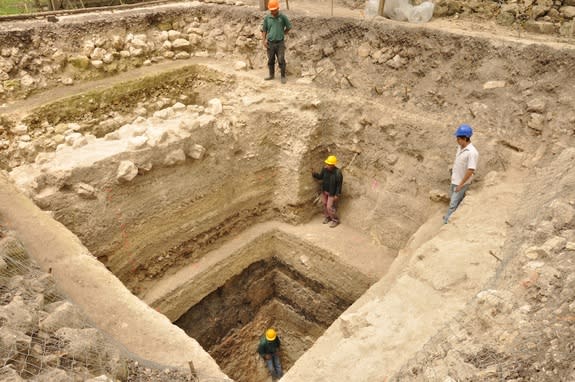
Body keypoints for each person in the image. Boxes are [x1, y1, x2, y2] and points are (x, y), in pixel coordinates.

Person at [443, 124, 479, 224]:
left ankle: (447, 221)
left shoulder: (472, 152)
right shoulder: (461, 147)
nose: (457, 140)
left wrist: (461, 184)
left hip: (461, 183)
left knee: (453, 203)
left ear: (465, 138)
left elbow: (471, 170)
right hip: (455, 179)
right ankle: (451, 216)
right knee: (454, 200)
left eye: (458, 138)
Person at [261, 0, 292, 84]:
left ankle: (282, 76)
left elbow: (289, 27)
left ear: (278, 8)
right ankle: (271, 75)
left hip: (280, 43)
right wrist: (263, 41)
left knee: (281, 59)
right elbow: (264, 30)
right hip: (270, 43)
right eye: (271, 10)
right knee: (270, 59)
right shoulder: (267, 18)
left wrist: (283, 33)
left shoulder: (283, 17)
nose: (273, 11)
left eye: (274, 10)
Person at [312, 155, 343, 228]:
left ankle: (335, 220)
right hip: (324, 191)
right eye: (327, 164)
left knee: (329, 207)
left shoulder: (338, 173)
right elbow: (320, 177)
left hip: (332, 193)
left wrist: (337, 195)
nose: (327, 165)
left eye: (329, 164)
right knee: (324, 204)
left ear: (333, 165)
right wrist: (314, 174)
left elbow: (339, 185)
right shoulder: (324, 169)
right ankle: (327, 217)